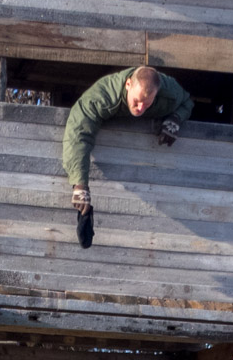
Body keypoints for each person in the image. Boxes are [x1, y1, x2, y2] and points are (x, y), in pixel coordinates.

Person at [61, 65, 195, 249]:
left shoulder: (169, 92)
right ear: (128, 84)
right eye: (137, 101)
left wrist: (176, 119)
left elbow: (187, 102)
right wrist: (79, 184)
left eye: (147, 104)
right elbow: (78, 133)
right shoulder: (103, 95)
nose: (140, 108)